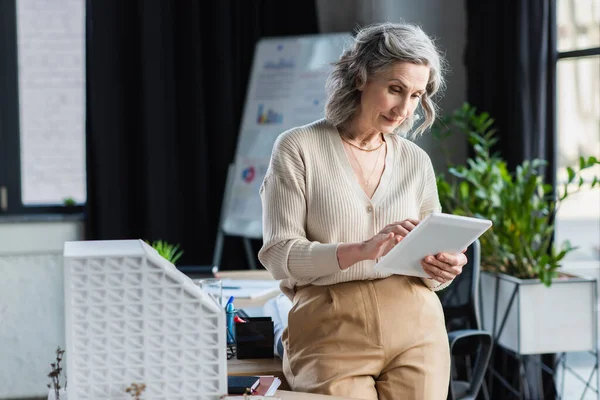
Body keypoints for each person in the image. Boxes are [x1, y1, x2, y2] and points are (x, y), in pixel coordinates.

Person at [258, 22, 467, 400]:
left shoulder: (416, 161)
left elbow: (430, 265)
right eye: (395, 89)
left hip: (417, 326)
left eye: (416, 95)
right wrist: (360, 250)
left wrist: (444, 268)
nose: (404, 109)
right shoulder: (297, 147)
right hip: (330, 328)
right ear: (359, 78)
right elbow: (278, 254)